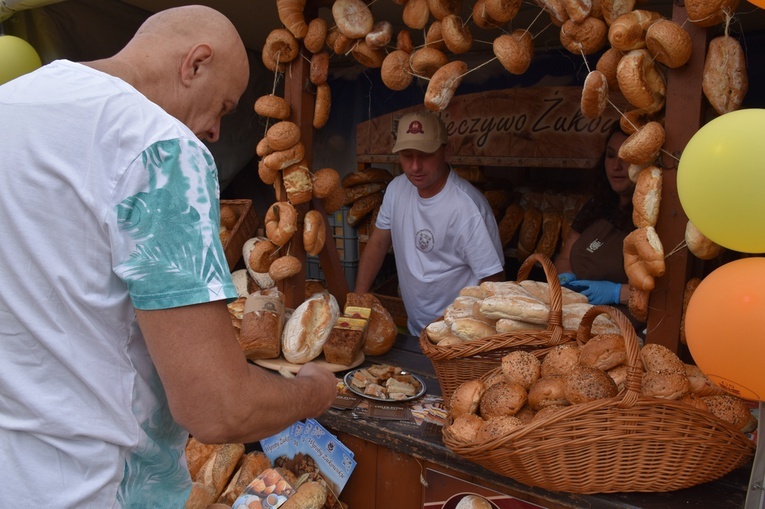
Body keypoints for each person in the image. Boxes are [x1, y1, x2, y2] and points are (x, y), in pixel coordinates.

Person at [0, 6, 337, 507]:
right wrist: (313, 390)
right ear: (194, 64)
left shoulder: (12, 105)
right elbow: (217, 407)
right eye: (222, 107)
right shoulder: (158, 147)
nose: (217, 132)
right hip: (98, 488)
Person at [354, 110, 505, 336]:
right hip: (416, 329)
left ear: (446, 151)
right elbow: (377, 243)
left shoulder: (466, 207)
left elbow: (494, 283)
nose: (415, 167)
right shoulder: (396, 190)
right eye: (407, 155)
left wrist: (464, 334)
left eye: (425, 155)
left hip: (458, 338)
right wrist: (357, 301)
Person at [554, 129, 640, 317]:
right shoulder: (597, 206)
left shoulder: (656, 221)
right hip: (575, 317)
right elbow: (565, 257)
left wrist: (616, 293)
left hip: (623, 328)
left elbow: (664, 295)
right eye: (610, 156)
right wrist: (565, 277)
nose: (616, 166)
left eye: (627, 157)